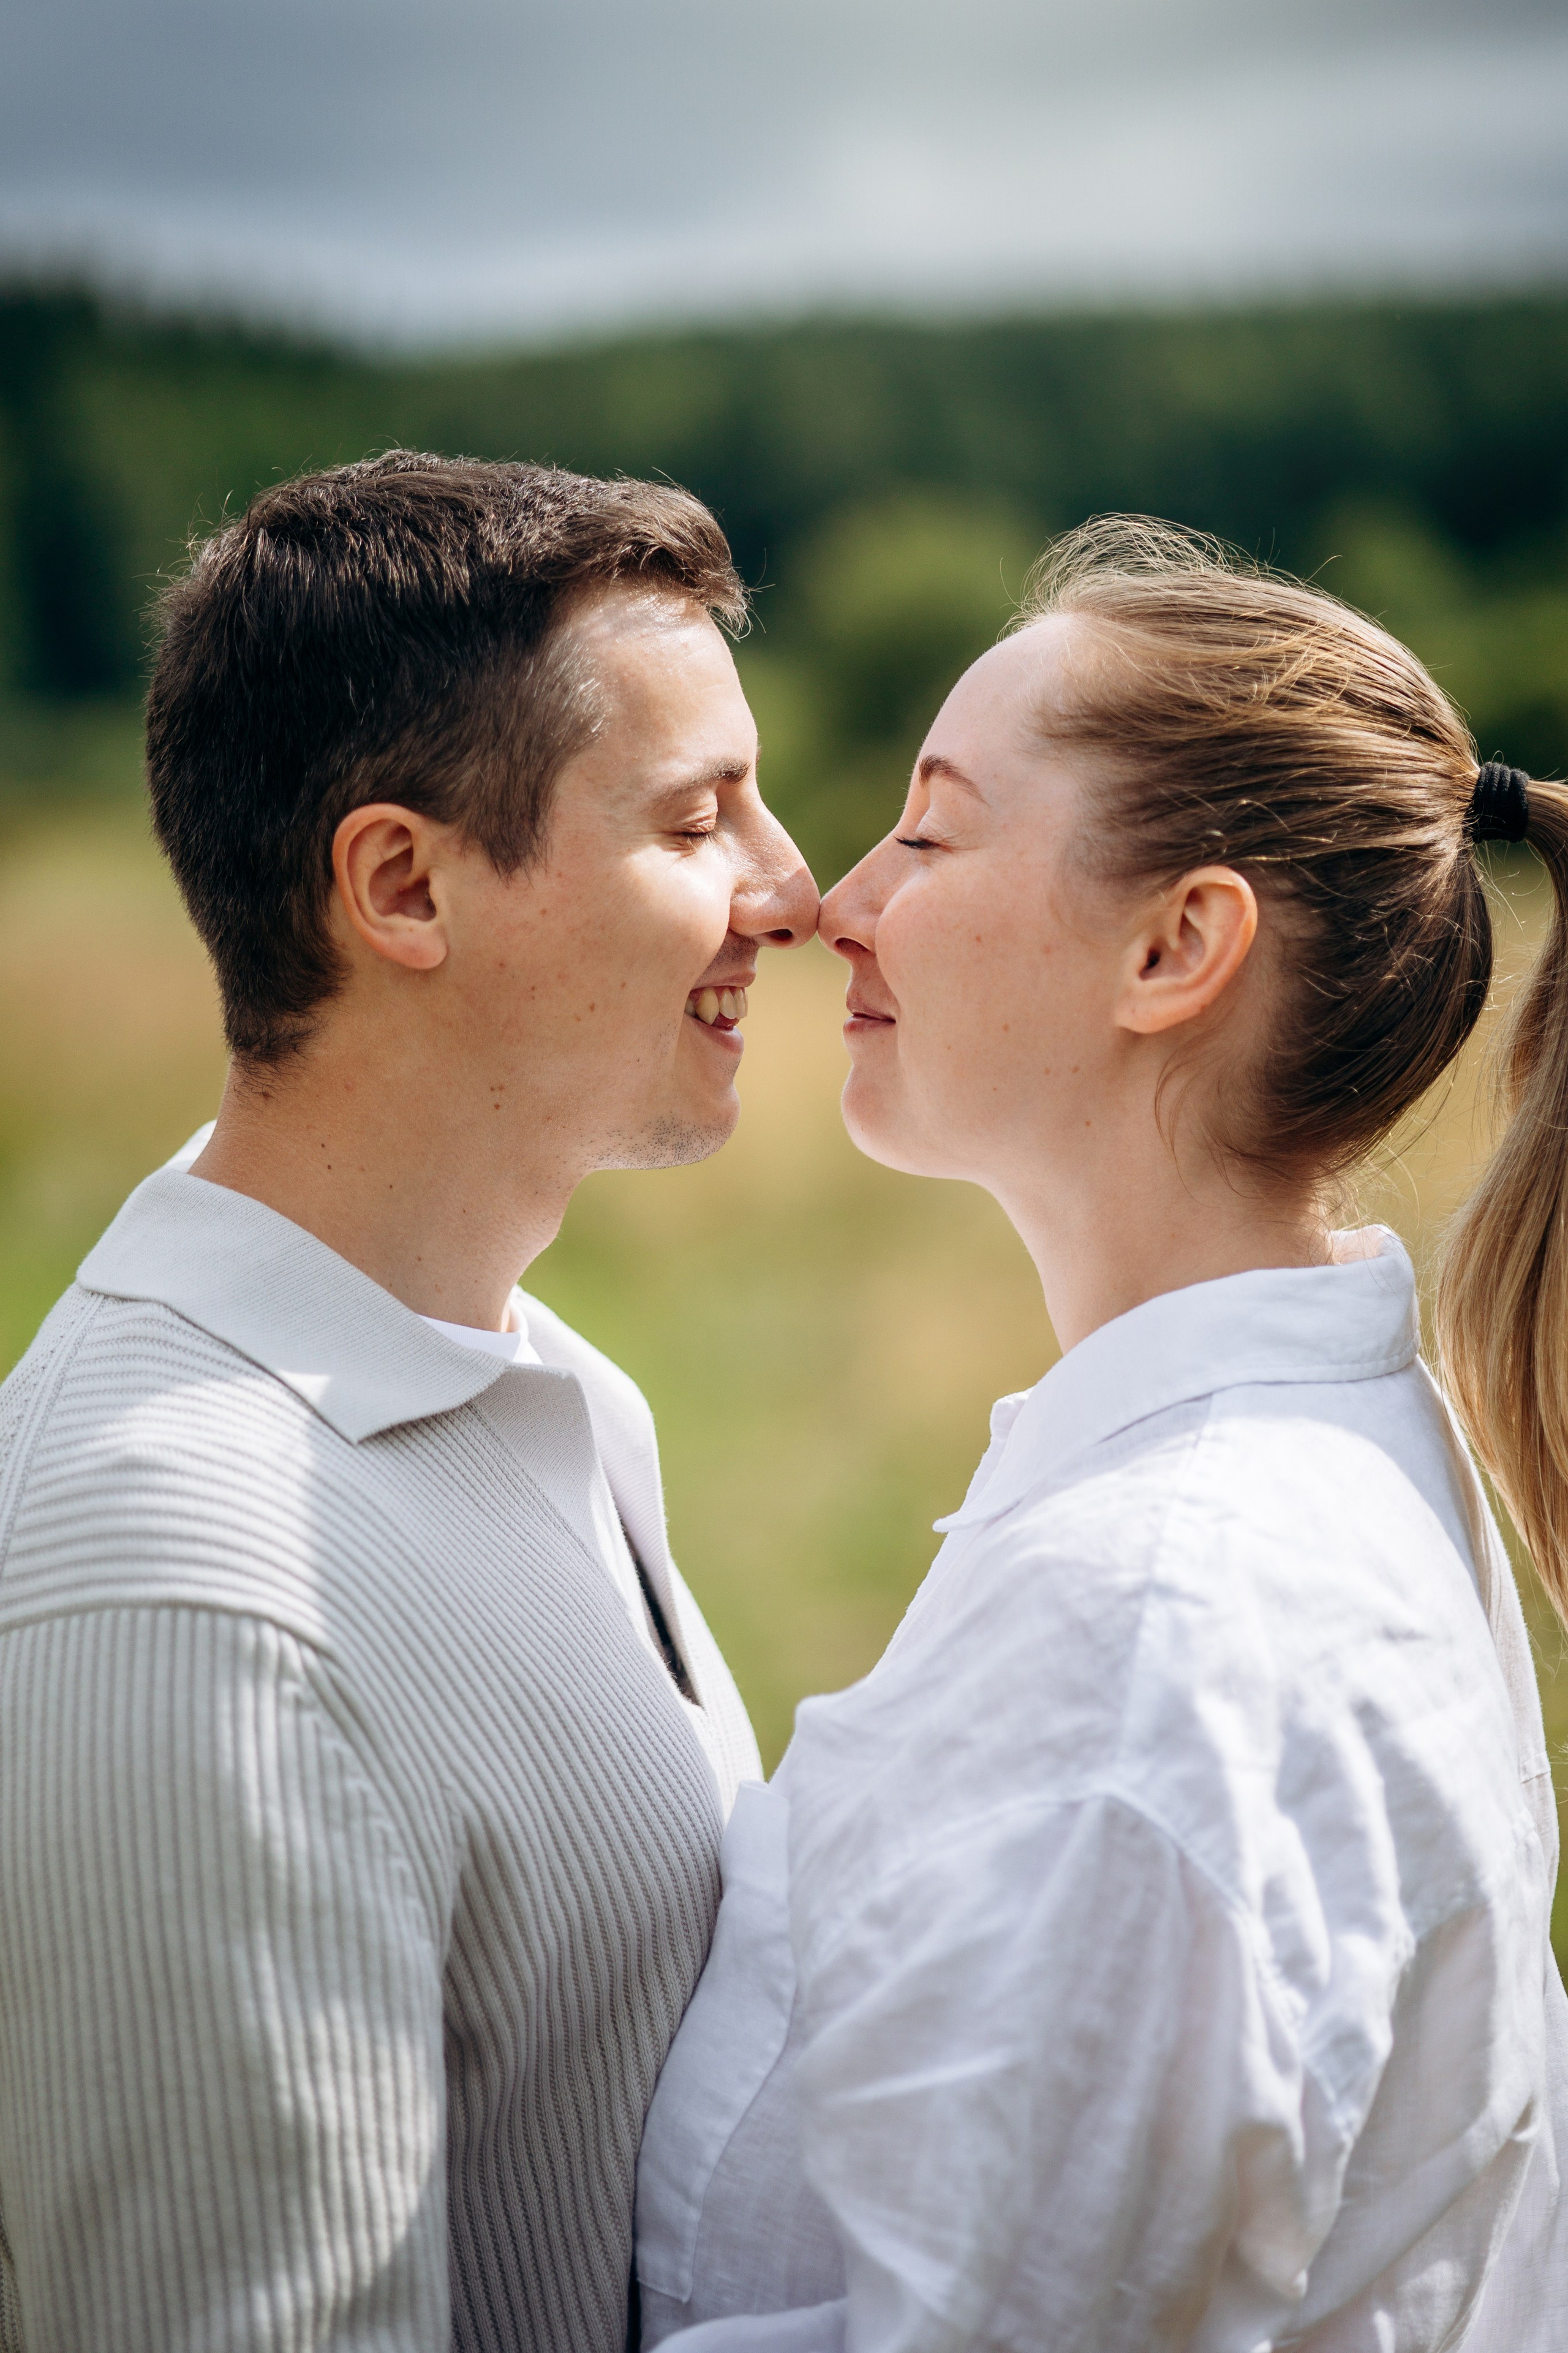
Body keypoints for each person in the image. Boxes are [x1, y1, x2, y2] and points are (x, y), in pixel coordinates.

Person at [633, 517, 1568, 2352]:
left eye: (935, 822)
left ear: (1174, 945)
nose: (842, 894)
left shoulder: (1165, 1620)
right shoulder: (1305, 1463)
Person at [0, 451, 817, 2352]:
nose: (791, 887)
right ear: (403, 883)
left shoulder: (555, 1387)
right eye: (701, 819)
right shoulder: (191, 1604)